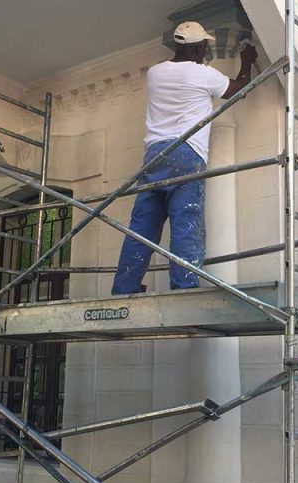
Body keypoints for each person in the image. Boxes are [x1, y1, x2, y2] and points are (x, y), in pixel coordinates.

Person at [111, 21, 258, 295]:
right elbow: (240, 89)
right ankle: (184, 288)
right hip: (186, 151)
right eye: (203, 47)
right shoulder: (203, 74)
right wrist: (246, 61)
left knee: (143, 225)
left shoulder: (154, 73)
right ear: (199, 47)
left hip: (154, 154)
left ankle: (124, 287)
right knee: (185, 220)